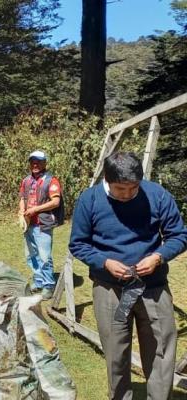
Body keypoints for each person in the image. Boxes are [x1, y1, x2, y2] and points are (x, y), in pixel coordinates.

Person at [69, 152, 186, 400]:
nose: (128, 193)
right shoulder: (89, 200)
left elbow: (179, 235)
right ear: (107, 179)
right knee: (116, 350)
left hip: (152, 288)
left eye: (134, 187)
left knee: (161, 349)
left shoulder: (157, 195)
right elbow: (78, 244)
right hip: (111, 290)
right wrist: (105, 262)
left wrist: (158, 257)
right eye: (121, 188)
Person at [17, 150, 63, 300]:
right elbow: (22, 198)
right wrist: (22, 210)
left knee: (44, 256)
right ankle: (38, 281)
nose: (35, 164)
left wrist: (35, 209)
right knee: (31, 256)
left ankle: (48, 285)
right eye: (32, 161)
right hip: (29, 224)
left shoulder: (51, 180)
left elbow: (55, 202)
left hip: (42, 224)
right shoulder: (26, 180)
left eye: (38, 161)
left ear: (45, 163)